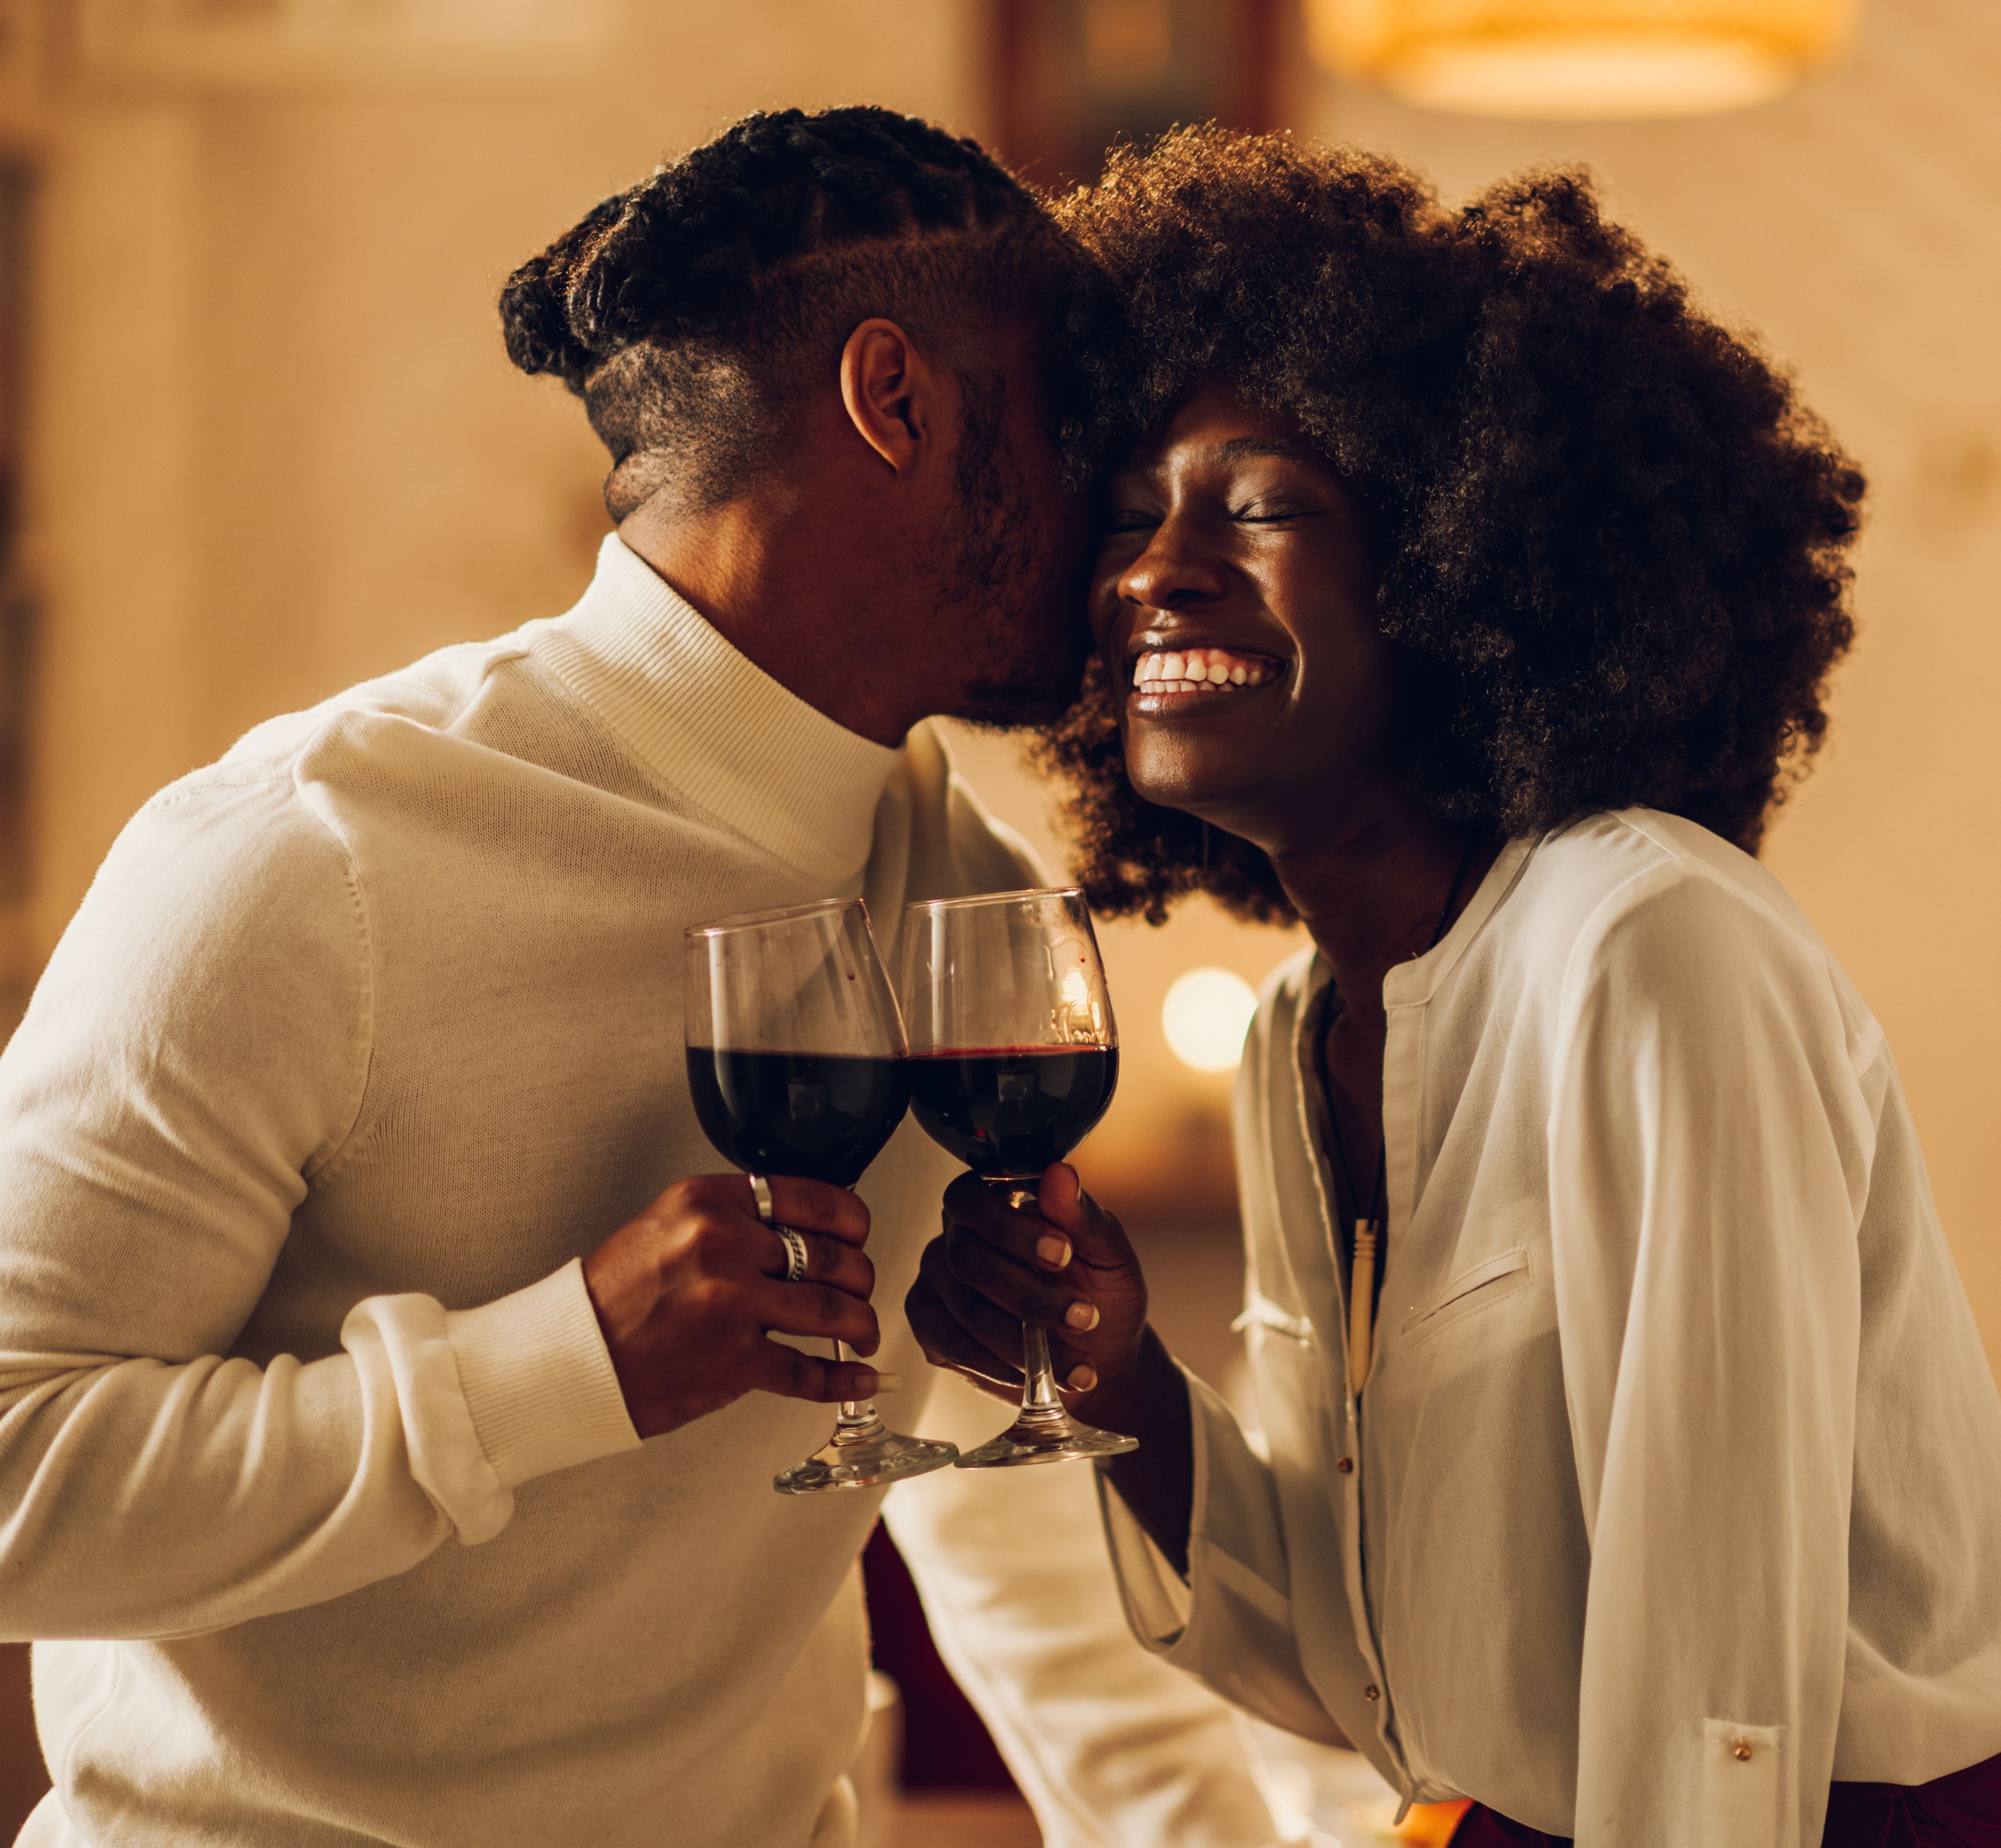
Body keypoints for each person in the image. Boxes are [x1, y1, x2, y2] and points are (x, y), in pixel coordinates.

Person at [0, 109, 1276, 1847]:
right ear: (894, 402)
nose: (1131, 550)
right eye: (1081, 438)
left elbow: (996, 1521)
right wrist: (560, 1366)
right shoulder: (308, 855)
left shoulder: (958, 883)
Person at [910, 129, 2001, 1848]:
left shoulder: (1652, 944)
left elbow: (1720, 1706)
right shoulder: (1307, 1027)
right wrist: (1120, 1387)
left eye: (1258, 505)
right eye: (1129, 518)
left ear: (1464, 556)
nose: (1156, 571)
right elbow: (1367, 1670)